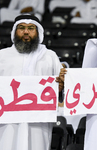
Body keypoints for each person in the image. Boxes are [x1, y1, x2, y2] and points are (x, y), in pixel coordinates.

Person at [0, 14, 62, 150]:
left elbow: (61, 84)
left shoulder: (49, 56)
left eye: (31, 28)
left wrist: (62, 84)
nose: (26, 32)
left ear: (38, 32)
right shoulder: (2, 56)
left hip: (38, 119)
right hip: (8, 119)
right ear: (14, 32)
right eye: (21, 28)